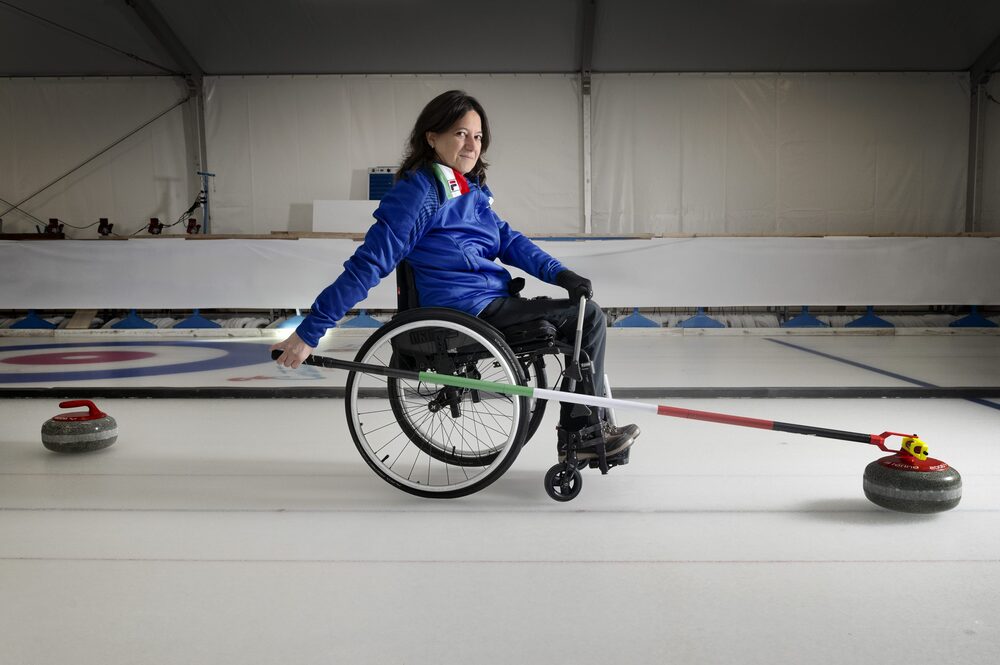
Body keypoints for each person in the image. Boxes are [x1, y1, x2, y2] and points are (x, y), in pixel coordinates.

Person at [272, 90, 639, 461]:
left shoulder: (468, 189)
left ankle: (586, 431)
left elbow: (508, 240)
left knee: (580, 316)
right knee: (587, 319)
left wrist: (561, 274)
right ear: (432, 137)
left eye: (477, 137)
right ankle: (585, 437)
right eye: (461, 133)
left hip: (487, 301)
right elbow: (370, 262)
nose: (472, 144)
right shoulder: (420, 191)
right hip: (464, 312)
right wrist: (311, 331)